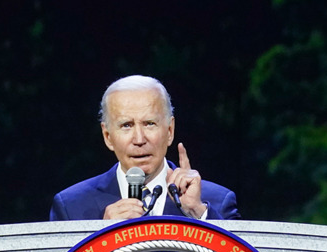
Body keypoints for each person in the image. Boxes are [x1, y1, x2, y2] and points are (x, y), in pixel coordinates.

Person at [49, 75, 240, 221]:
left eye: (149, 123)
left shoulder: (216, 202)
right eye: (126, 125)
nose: (139, 139)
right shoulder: (71, 207)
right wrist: (100, 237)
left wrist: (197, 213)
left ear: (170, 131)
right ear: (108, 137)